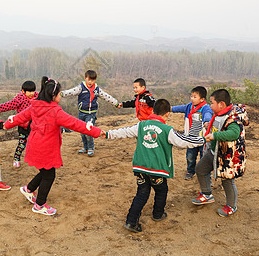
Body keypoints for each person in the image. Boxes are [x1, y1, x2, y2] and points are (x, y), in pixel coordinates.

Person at [103, 99, 205, 233]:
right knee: (161, 190)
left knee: (141, 194)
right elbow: (182, 142)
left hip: (140, 167)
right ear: (167, 114)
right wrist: (201, 140)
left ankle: (131, 221)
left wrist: (108, 134)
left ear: (153, 111)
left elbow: (125, 131)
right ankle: (158, 214)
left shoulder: (141, 125)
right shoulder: (167, 129)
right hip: (157, 170)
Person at [5, 76, 102, 216]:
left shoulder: (34, 105)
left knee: (45, 171)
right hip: (45, 148)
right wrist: (97, 132)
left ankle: (28, 189)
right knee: (49, 175)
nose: (60, 96)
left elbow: (19, 117)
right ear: (53, 95)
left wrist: (5, 125)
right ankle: (39, 205)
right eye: (59, 93)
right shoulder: (55, 111)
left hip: (34, 146)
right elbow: (76, 124)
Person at [191, 89, 249, 217]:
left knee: (227, 181)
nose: (210, 105)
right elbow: (217, 126)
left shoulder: (232, 118)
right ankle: (207, 194)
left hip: (227, 156)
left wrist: (214, 135)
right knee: (200, 169)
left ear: (221, 104)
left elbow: (234, 133)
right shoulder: (219, 114)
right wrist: (208, 125)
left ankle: (231, 206)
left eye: (212, 103)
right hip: (214, 151)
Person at [61, 69, 118, 156]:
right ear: (85, 78)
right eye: (89, 79)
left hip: (91, 113)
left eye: (92, 80)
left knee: (88, 130)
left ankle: (91, 148)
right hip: (82, 113)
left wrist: (116, 103)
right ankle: (85, 147)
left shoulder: (97, 90)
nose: (90, 81)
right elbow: (71, 92)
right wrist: (61, 94)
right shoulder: (81, 87)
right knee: (82, 131)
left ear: (95, 80)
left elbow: (106, 96)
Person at [171, 86, 213, 180]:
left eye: (195, 97)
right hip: (191, 138)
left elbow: (208, 114)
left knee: (204, 158)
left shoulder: (205, 108)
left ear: (202, 99)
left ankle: (206, 175)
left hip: (203, 139)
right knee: (190, 157)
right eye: (191, 96)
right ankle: (190, 171)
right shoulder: (189, 107)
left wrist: (207, 121)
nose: (192, 99)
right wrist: (170, 108)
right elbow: (180, 108)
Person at [0, 80, 38, 168]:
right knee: (22, 143)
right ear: (23, 91)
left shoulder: (37, 97)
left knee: (35, 142)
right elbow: (9, 105)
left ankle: (35, 158)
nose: (31, 93)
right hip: (22, 125)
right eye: (29, 91)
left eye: (33, 91)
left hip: (34, 125)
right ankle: (16, 158)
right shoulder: (20, 99)